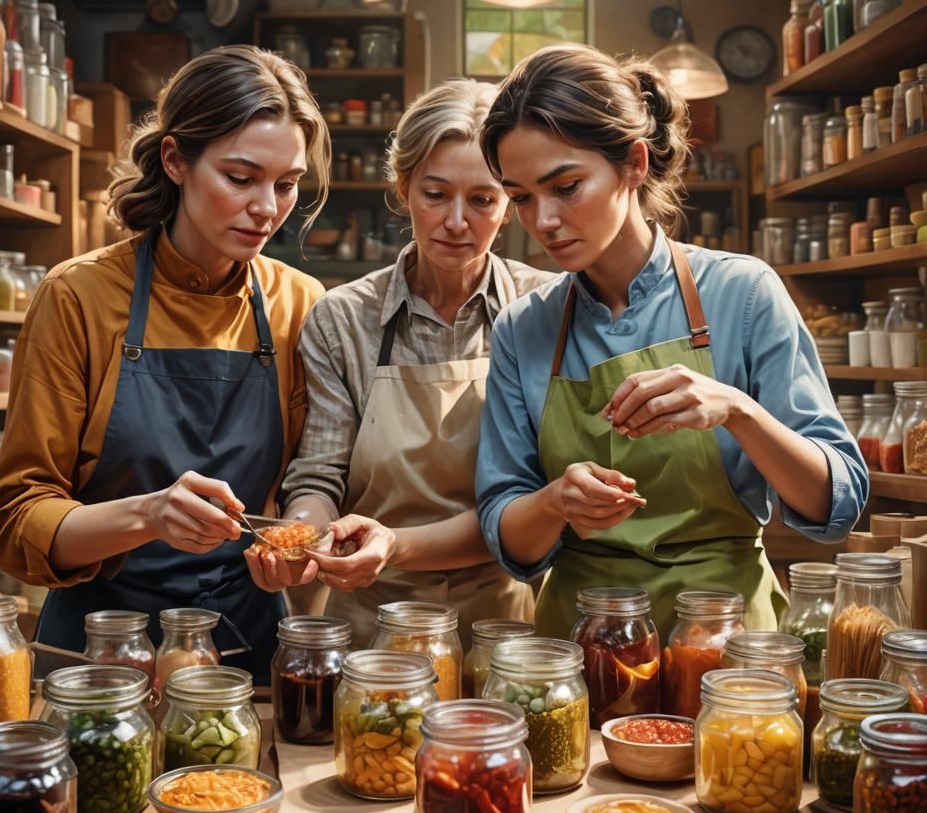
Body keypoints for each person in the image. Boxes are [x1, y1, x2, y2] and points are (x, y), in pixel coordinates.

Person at [475, 44, 868, 640]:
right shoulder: (523, 327)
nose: (543, 221)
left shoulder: (744, 293)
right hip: (579, 648)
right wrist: (556, 502)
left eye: (566, 186)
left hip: (724, 641)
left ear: (633, 163)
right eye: (522, 197)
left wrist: (738, 411)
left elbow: (836, 501)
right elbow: (506, 532)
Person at [0, 45, 330, 680]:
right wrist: (147, 515)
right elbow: (15, 516)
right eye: (240, 177)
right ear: (174, 159)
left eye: (287, 184)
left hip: (245, 650)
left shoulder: (299, 304)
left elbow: (314, 477)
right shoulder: (79, 296)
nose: (266, 209)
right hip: (100, 651)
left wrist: (299, 541)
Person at [247, 78, 555, 646]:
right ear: (403, 187)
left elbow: (541, 493)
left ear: (510, 201)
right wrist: (299, 537)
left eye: (483, 199)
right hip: (369, 621)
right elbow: (320, 474)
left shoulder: (546, 311)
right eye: (435, 194)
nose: (457, 222)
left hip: (503, 622)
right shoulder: (342, 320)